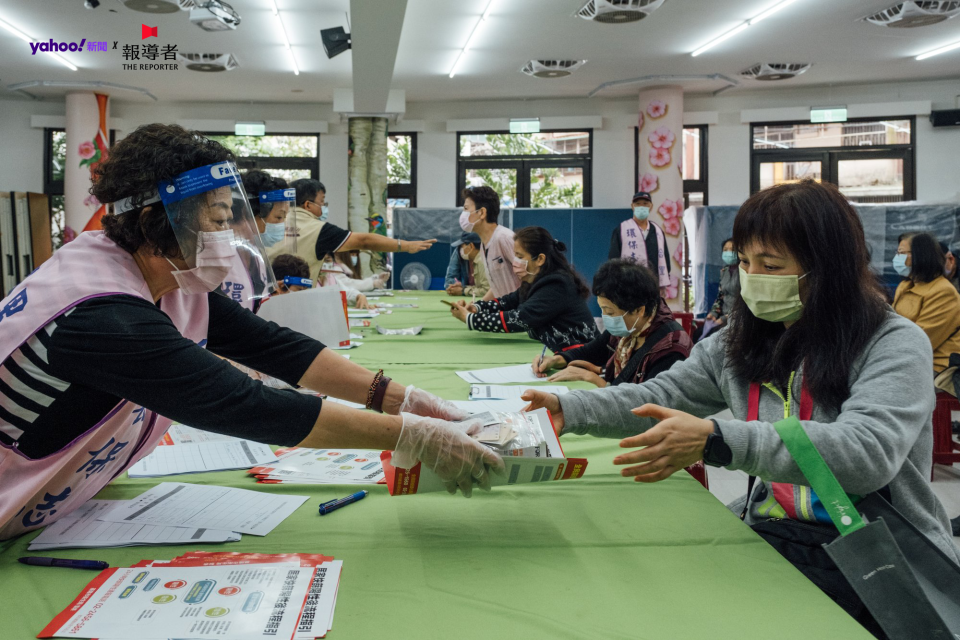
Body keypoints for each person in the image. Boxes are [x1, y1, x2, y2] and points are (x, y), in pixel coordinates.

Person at [0, 124, 503, 541]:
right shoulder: (101, 314)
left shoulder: (159, 278)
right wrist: (412, 435)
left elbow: (271, 346)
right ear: (156, 221)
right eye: (218, 219)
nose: (230, 236)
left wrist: (399, 398)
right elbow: (243, 402)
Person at [523, 180, 959, 634]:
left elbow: (867, 452)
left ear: (827, 268)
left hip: (876, 552)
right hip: (777, 532)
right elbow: (660, 394)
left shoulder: (892, 343)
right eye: (746, 262)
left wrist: (718, 439)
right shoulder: (740, 339)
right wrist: (569, 409)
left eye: (770, 265)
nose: (751, 276)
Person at [533, 259, 690, 387]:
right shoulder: (628, 328)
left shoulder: (671, 349)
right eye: (602, 310)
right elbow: (591, 351)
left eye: (610, 312)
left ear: (638, 310)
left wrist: (595, 380)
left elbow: (647, 404)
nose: (606, 317)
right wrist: (555, 360)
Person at [449, 227, 599, 353]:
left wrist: (471, 319)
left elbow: (521, 318)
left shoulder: (557, 284)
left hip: (580, 354)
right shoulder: (535, 279)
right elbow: (510, 301)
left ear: (540, 259)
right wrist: (477, 307)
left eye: (520, 256)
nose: (515, 262)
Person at [270, 178, 436, 283]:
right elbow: (364, 241)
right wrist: (404, 245)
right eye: (322, 202)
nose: (323, 207)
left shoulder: (270, 222)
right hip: (293, 295)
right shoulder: (319, 230)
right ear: (307, 205)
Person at [892, 232, 960, 385]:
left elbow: (919, 340)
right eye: (897, 253)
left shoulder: (943, 292)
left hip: (936, 368)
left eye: (902, 253)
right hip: (907, 358)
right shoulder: (906, 285)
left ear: (920, 255)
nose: (897, 258)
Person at [459, 186, 520, 301]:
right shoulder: (484, 244)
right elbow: (497, 286)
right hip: (506, 310)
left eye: (466, 209)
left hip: (519, 311)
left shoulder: (504, 238)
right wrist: (479, 306)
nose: (463, 214)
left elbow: (529, 278)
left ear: (482, 212)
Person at [608, 191, 671, 296]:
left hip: (653, 286)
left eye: (645, 204)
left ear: (651, 206)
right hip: (629, 286)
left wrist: (662, 285)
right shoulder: (622, 229)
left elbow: (666, 258)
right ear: (632, 206)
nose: (641, 207)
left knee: (652, 312)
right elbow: (613, 260)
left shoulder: (657, 231)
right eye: (638, 204)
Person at [702, 237, 740, 340]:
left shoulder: (744, 271)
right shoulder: (724, 271)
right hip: (723, 316)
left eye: (732, 249)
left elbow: (744, 303)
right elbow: (720, 296)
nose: (728, 252)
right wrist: (713, 314)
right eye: (725, 250)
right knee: (700, 333)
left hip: (738, 318)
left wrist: (725, 318)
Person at [444, 232, 489, 299]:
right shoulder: (460, 253)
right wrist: (457, 285)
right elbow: (450, 278)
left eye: (462, 247)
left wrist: (463, 290)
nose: (460, 250)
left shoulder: (483, 261)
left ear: (471, 246)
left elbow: (487, 290)